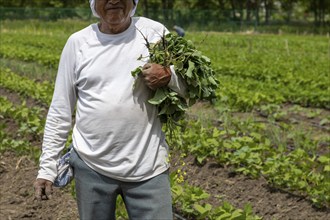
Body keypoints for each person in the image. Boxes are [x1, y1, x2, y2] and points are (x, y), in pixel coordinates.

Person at [33, 0, 187, 219]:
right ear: (94, 3)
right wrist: (47, 167)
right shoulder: (78, 43)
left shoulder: (155, 33)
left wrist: (169, 76)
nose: (113, 1)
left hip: (148, 166)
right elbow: (61, 109)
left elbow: (189, 87)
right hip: (91, 165)